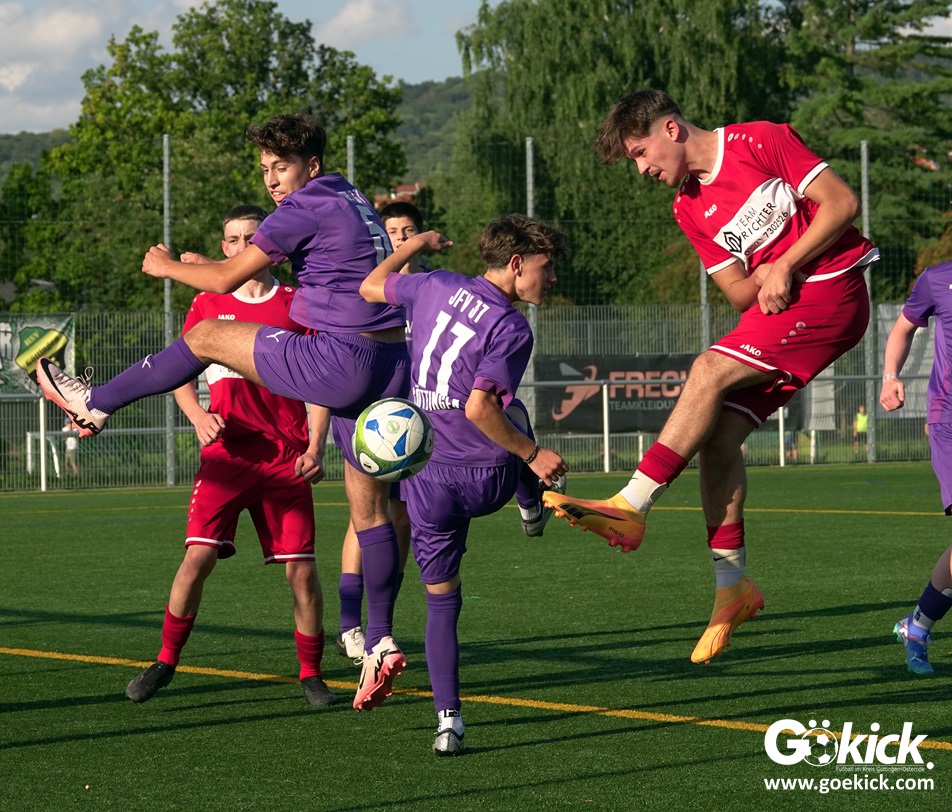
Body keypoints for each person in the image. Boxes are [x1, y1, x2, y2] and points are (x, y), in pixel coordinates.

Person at [36, 112, 410, 712]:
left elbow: (226, 278)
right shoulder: (350, 194)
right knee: (371, 513)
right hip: (390, 361)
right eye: (265, 168)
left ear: (311, 165)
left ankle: (94, 402)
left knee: (207, 334)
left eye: (281, 166)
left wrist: (167, 266)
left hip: (343, 359)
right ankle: (381, 641)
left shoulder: (304, 204)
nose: (272, 180)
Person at [544, 89, 877, 664]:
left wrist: (784, 262)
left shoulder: (760, 140)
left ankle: (632, 504)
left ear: (671, 129)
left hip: (833, 291)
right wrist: (769, 274)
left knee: (707, 368)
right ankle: (732, 590)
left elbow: (842, 202)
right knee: (718, 440)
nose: (642, 169)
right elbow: (740, 292)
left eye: (641, 153)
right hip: (781, 310)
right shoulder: (688, 207)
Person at [360, 214, 571, 755]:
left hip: (428, 479)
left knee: (441, 603)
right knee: (514, 413)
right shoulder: (512, 326)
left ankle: (448, 721)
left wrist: (415, 245)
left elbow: (370, 286)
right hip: (487, 478)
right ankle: (529, 503)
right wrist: (533, 455)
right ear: (517, 263)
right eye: (546, 268)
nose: (552, 279)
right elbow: (480, 408)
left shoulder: (434, 283)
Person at [123, 205, 336, 707]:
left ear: (271, 244)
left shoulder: (298, 304)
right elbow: (176, 369)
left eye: (251, 238)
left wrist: (315, 446)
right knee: (196, 558)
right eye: (233, 240)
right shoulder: (207, 303)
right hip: (226, 457)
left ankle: (311, 674)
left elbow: (321, 383)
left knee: (302, 572)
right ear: (224, 249)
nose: (242, 246)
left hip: (285, 458)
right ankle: (165, 661)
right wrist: (197, 416)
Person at [335, 202, 424, 664]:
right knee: (364, 515)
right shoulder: (369, 286)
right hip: (371, 417)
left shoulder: (432, 288)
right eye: (393, 231)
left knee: (402, 517)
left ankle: (380, 621)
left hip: (417, 420)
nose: (401, 238)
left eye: (409, 230)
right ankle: (350, 624)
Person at [880, 260, 952, 675]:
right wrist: (890, 375)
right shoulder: (938, 278)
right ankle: (919, 627)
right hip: (949, 421)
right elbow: (902, 328)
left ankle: (918, 625)